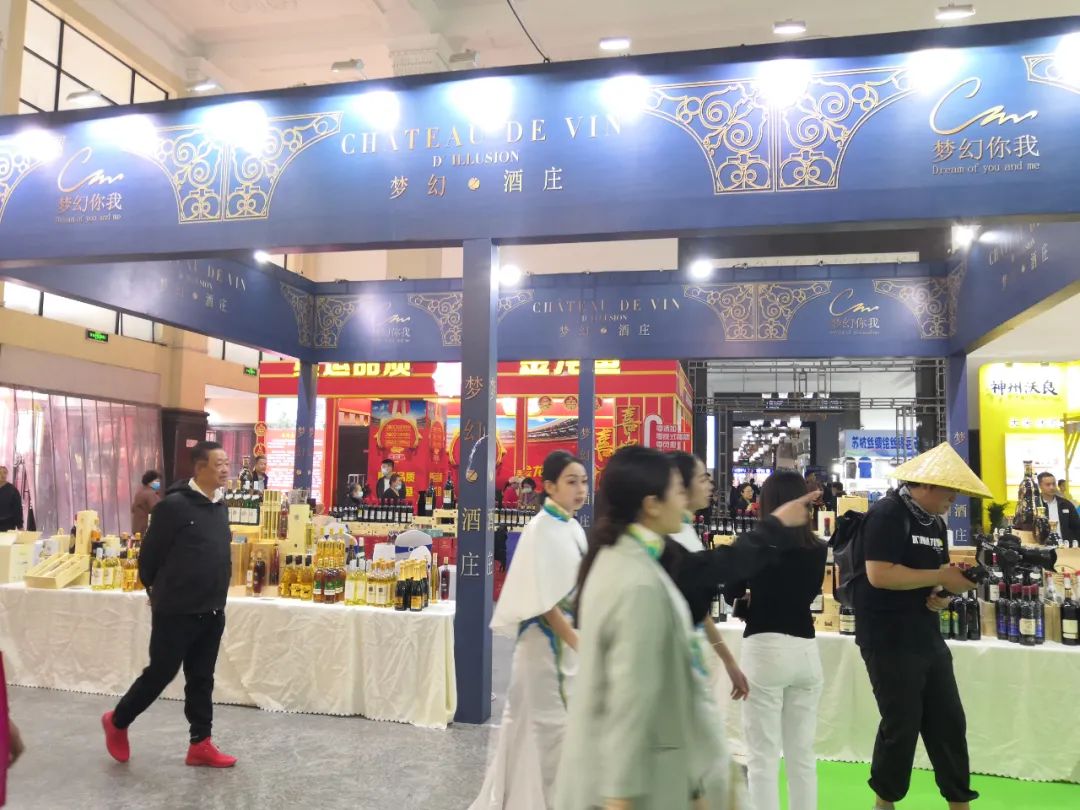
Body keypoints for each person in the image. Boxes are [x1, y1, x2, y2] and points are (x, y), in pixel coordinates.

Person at [556, 446, 814, 810]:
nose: (692, 495)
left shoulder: (640, 552)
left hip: (657, 765)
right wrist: (621, 794)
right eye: (680, 488)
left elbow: (716, 566)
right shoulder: (638, 580)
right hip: (638, 781)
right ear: (651, 504)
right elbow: (631, 699)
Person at [852, 442, 990, 810]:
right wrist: (940, 576)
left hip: (926, 633)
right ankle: (885, 802)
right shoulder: (887, 514)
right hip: (887, 637)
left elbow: (933, 575)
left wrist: (942, 594)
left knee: (949, 722)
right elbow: (879, 574)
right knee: (901, 724)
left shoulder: (935, 523)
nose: (954, 499)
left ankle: (959, 801)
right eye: (950, 490)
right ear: (927, 484)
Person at [102, 441, 237, 769]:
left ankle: (200, 743)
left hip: (212, 609)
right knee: (161, 673)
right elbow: (149, 557)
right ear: (200, 468)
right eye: (218, 464)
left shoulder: (220, 506)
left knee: (202, 678)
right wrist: (155, 590)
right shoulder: (172, 506)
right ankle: (117, 721)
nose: (225, 469)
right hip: (176, 610)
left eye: (226, 463)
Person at [471, 451, 589, 810]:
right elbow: (543, 601)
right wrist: (577, 641)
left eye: (584, 481)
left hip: (566, 644)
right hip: (543, 647)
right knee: (546, 730)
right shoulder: (540, 529)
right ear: (549, 486)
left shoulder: (572, 526)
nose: (580, 489)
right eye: (571, 482)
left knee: (548, 730)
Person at [724, 471, 828, 810]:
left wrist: (750, 595)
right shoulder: (817, 548)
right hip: (805, 649)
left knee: (762, 756)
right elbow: (808, 592)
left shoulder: (755, 544)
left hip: (764, 647)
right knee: (802, 755)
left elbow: (731, 592)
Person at [1038, 472, 1080, 545]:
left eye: (1053, 484)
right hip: (1042, 547)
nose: (1052, 487)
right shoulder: (1036, 505)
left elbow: (1077, 526)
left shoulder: (1066, 504)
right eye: (1048, 484)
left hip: (1065, 547)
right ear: (1040, 486)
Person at [130, 470, 162, 537]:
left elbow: (133, 509)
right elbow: (157, 510)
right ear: (150, 482)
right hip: (146, 529)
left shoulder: (139, 492)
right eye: (157, 482)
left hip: (137, 528)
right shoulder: (151, 494)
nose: (158, 484)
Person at [0, 467, 22, 532]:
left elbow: (17, 509)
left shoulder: (12, 490)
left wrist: (20, 526)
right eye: (0, 473)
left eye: (4, 473)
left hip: (8, 525)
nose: (2, 475)